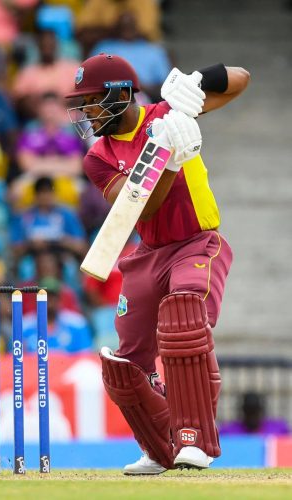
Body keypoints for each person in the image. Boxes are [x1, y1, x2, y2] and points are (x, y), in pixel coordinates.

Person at [66, 53, 250, 474]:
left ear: (118, 94)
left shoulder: (170, 112)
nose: (85, 113)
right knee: (126, 363)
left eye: (90, 100)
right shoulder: (98, 157)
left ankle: (195, 441)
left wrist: (196, 82)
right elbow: (137, 211)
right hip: (148, 253)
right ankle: (158, 449)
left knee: (184, 318)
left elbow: (242, 79)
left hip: (197, 243)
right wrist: (169, 159)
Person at [219, 391, 290, 436]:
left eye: (255, 411)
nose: (252, 416)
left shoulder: (279, 429)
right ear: (243, 411)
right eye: (248, 411)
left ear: (261, 411)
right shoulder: (228, 431)